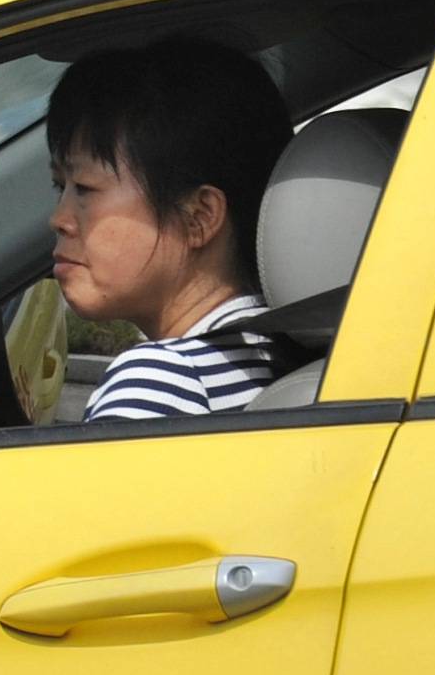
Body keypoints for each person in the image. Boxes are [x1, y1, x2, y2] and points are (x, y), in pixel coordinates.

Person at [42, 36, 292, 422]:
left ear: (199, 216)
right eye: (61, 188)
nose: (59, 219)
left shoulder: (160, 384)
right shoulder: (279, 361)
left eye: (85, 189)